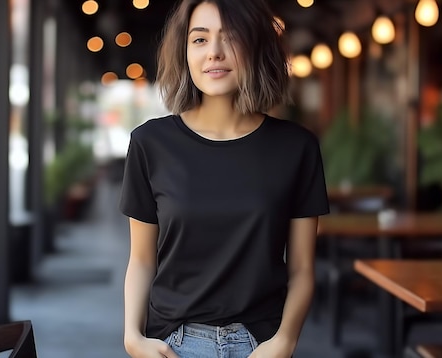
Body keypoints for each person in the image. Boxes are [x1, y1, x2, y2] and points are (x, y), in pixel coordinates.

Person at [119, 0, 330, 357]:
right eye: (199, 40)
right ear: (184, 52)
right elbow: (141, 259)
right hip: (173, 343)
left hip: (260, 345)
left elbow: (302, 268)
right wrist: (132, 336)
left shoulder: (297, 148)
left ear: (256, 46)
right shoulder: (150, 143)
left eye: (230, 38)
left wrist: (284, 340)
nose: (214, 53)